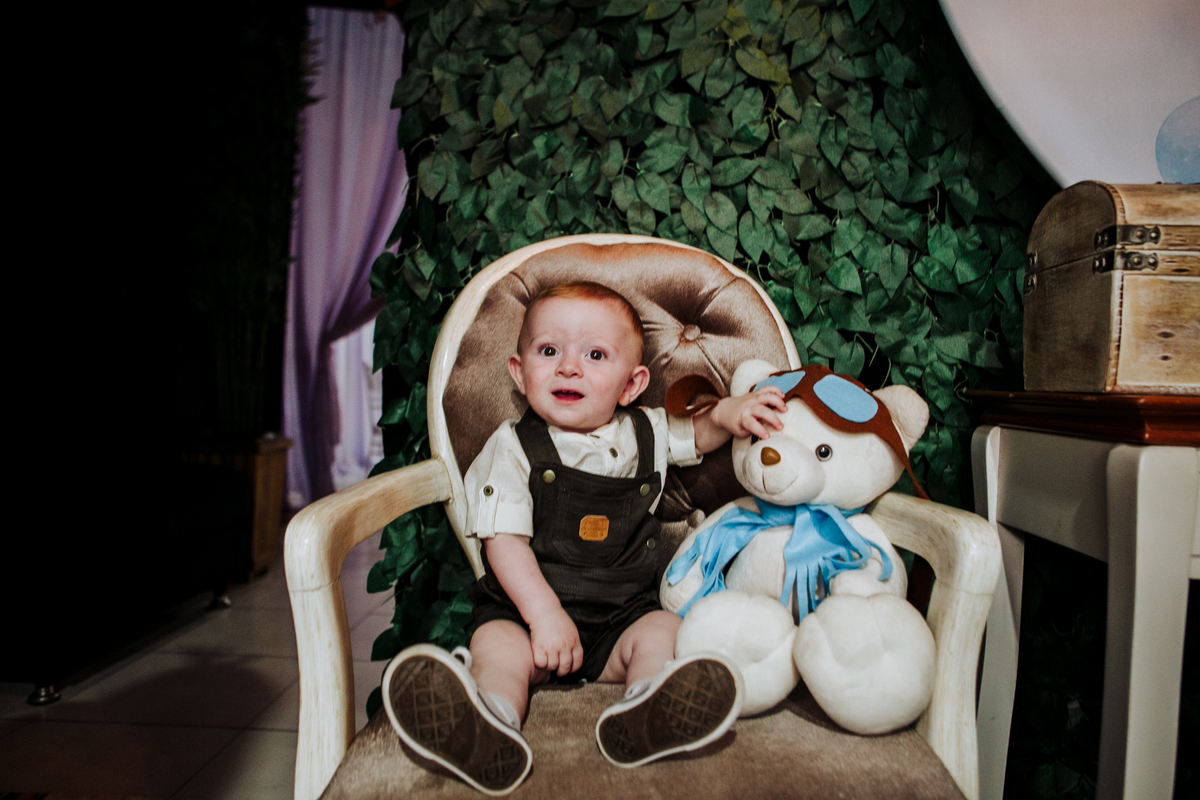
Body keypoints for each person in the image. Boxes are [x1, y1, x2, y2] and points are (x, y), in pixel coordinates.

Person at [382, 282, 787, 795]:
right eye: (549, 351)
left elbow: (697, 435)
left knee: (663, 630)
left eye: (595, 355)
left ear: (631, 384)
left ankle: (648, 706)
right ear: (519, 372)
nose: (569, 368)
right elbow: (503, 542)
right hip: (526, 616)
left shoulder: (646, 432)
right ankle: (488, 719)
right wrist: (544, 617)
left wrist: (728, 413)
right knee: (498, 649)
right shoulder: (512, 447)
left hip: (620, 618)